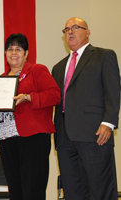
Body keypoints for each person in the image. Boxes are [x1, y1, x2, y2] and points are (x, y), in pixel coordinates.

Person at [52, 17, 120, 200]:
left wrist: (108, 122)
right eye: (66, 30)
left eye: (75, 28)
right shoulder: (58, 68)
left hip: (95, 134)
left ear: (87, 32)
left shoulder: (103, 56)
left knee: (101, 189)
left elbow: (112, 91)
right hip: (64, 139)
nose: (70, 32)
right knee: (73, 191)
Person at [0, 33, 61, 200]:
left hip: (32, 137)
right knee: (15, 189)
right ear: (5, 52)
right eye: (10, 49)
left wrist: (28, 97)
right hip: (6, 138)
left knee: (33, 188)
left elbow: (55, 95)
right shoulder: (1, 78)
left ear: (26, 53)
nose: (13, 53)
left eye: (18, 49)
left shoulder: (37, 70)